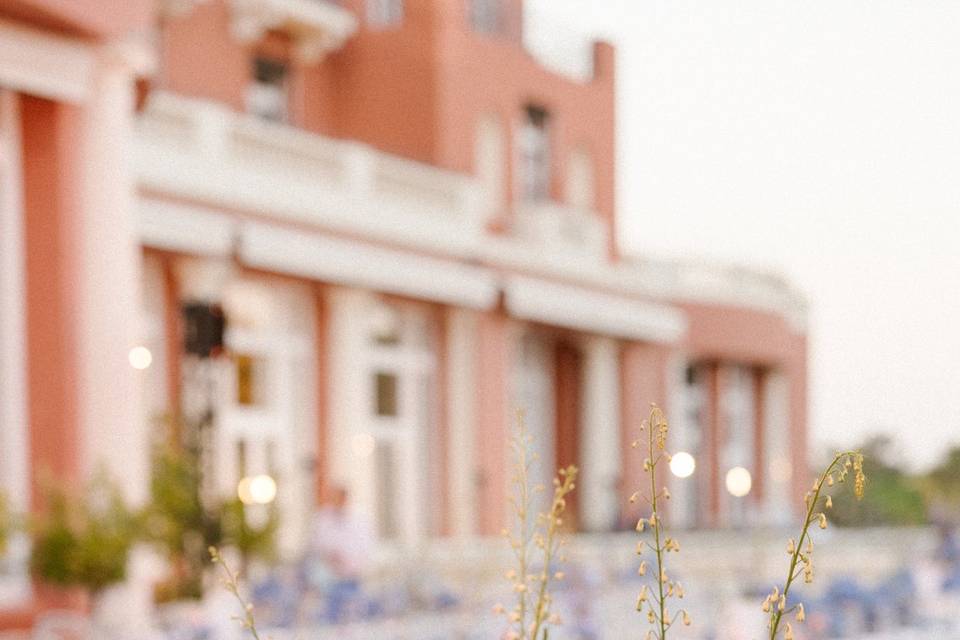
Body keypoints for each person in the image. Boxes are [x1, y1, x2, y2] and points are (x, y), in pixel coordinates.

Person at [306, 485, 373, 623]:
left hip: (353, 575)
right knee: (329, 615)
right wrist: (331, 558)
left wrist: (351, 564)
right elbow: (317, 545)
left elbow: (365, 547)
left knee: (353, 614)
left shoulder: (360, 518)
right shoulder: (323, 518)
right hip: (328, 577)